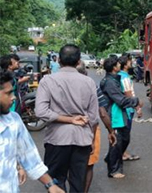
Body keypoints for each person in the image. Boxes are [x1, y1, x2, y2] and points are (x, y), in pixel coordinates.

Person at [35, 44, 99, 192]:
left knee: (56, 181)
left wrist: (66, 119)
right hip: (82, 139)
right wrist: (92, 140)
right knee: (78, 181)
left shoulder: (47, 81)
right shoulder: (88, 82)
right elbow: (94, 117)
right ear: (78, 62)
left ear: (58, 60)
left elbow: (41, 112)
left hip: (57, 140)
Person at [0, 68, 64, 193]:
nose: (13, 98)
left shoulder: (13, 120)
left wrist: (50, 184)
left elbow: (29, 156)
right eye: (8, 93)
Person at [75, 62, 116, 193]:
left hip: (68, 130)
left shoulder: (60, 85)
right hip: (90, 130)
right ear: (85, 73)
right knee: (88, 165)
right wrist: (111, 131)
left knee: (72, 166)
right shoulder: (91, 85)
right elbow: (102, 113)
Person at [100, 57, 142, 179]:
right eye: (118, 63)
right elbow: (120, 100)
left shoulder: (115, 79)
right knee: (116, 142)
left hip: (120, 115)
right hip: (115, 116)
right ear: (114, 67)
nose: (120, 64)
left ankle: (112, 160)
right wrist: (136, 102)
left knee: (124, 140)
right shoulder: (110, 82)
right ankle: (113, 170)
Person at [118, 55, 142, 162]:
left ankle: (122, 153)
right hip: (128, 109)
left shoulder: (120, 76)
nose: (131, 62)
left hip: (124, 108)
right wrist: (137, 107)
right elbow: (128, 94)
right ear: (125, 64)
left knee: (122, 134)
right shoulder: (125, 77)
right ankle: (118, 155)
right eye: (129, 61)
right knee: (125, 135)